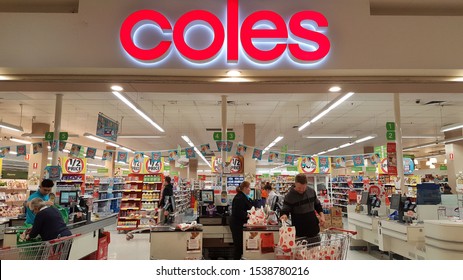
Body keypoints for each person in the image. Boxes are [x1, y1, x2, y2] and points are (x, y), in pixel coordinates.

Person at [280, 173, 325, 243]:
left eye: (304, 188)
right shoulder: (289, 196)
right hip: (299, 233)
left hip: (313, 230)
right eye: (299, 188)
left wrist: (322, 216)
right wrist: (284, 215)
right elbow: (285, 210)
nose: (301, 190)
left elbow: (317, 205)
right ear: (295, 184)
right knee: (300, 252)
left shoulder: (311, 191)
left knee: (315, 252)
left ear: (306, 184)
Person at [229, 181, 253, 260]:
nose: (250, 189)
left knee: (240, 245)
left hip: (239, 223)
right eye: (249, 188)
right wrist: (247, 214)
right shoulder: (239, 197)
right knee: (239, 246)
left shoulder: (243, 196)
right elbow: (237, 212)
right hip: (237, 225)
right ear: (245, 188)